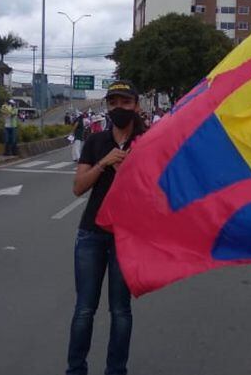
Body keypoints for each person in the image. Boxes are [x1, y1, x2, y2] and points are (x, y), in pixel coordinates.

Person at [67, 80, 144, 375]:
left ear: (136, 105)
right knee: (84, 309)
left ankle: (116, 370)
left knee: (121, 311)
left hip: (127, 237)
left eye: (126, 103)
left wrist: (127, 173)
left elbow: (155, 195)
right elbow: (78, 188)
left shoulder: (148, 141)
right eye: (114, 103)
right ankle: (75, 369)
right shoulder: (96, 141)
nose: (119, 108)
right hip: (91, 235)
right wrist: (103, 164)